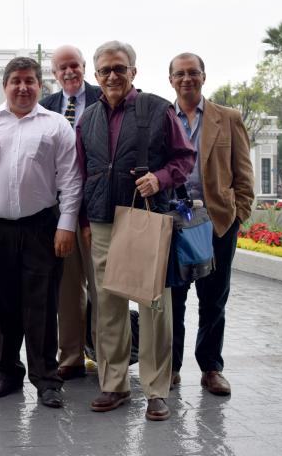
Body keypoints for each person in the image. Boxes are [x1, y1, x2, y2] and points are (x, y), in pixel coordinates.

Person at [0, 57, 81, 409]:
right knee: (1, 302)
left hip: (41, 226)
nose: (23, 87)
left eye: (30, 81)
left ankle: (47, 380)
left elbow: (70, 180)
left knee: (42, 304)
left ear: (40, 85)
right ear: (5, 85)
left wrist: (66, 225)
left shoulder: (56, 125)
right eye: (16, 81)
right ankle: (7, 372)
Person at [77, 41, 195, 421]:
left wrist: (160, 179)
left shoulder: (158, 109)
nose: (113, 76)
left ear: (133, 72)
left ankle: (156, 389)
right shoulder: (87, 119)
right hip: (102, 220)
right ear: (95, 76)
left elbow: (184, 158)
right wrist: (83, 221)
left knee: (153, 306)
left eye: (120, 68)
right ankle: (114, 385)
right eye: (105, 70)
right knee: (107, 307)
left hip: (145, 218)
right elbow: (80, 175)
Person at [168, 52, 254, 396]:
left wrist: (238, 216)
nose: (186, 79)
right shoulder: (162, 117)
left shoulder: (228, 118)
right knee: (173, 300)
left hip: (217, 221)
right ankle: (170, 367)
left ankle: (210, 368)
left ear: (203, 77)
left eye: (193, 73)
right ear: (170, 79)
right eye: (180, 74)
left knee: (214, 298)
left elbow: (244, 173)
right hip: (175, 223)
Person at [39, 45, 102, 380]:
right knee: (66, 289)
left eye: (74, 65)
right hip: (59, 212)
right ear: (54, 73)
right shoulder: (45, 107)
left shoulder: (102, 98)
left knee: (102, 288)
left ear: (84, 67)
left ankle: (106, 357)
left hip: (95, 212)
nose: (69, 72)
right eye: (62, 67)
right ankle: (72, 357)